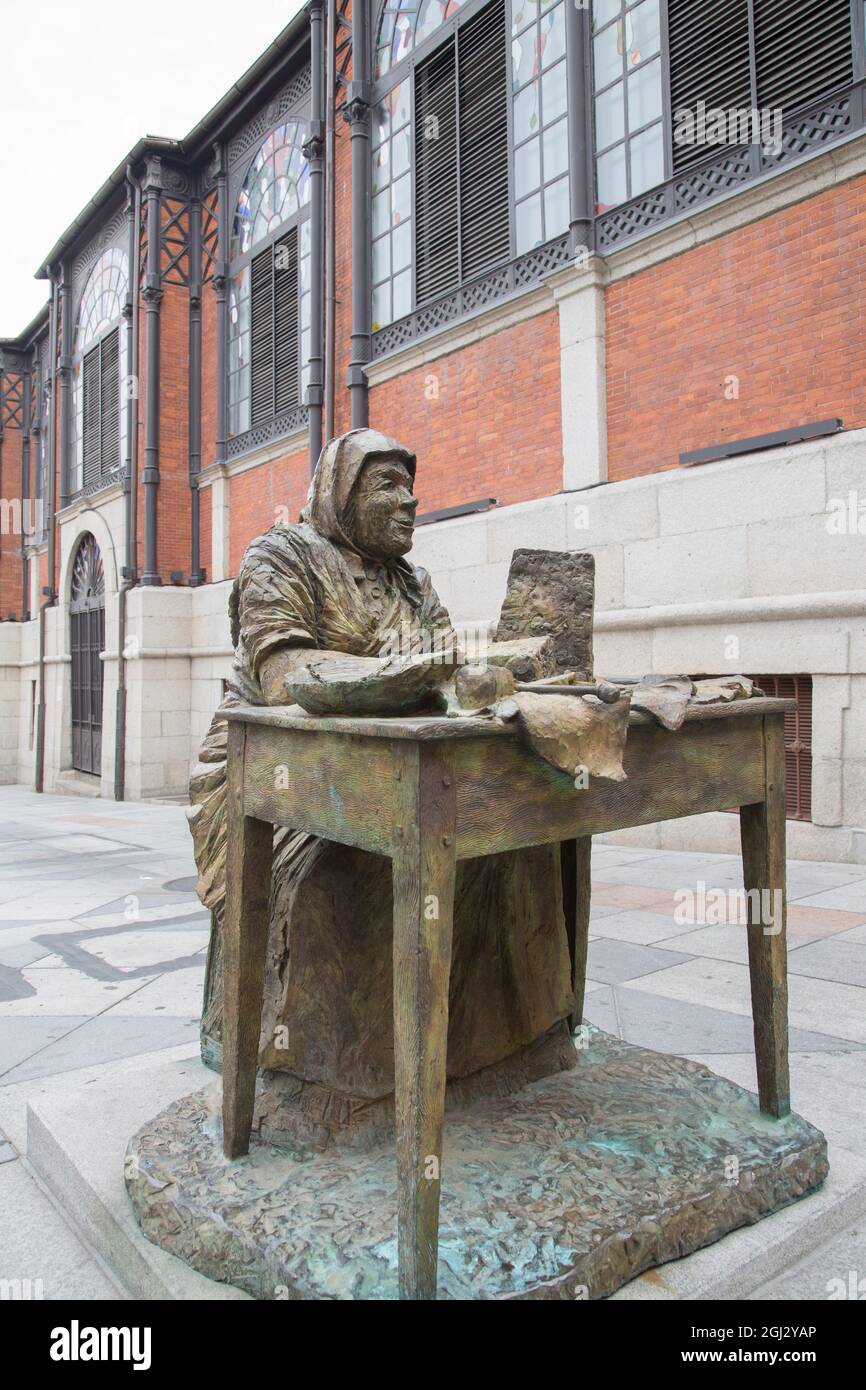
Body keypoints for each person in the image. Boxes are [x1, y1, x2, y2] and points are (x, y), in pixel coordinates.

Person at [188, 428, 574, 1148]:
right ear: (343, 491)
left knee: (511, 833)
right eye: (388, 484)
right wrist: (393, 679)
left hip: (409, 762)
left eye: (410, 483)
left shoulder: (412, 581)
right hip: (284, 767)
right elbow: (281, 676)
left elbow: (448, 673)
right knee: (348, 868)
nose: (411, 499)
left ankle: (499, 1054)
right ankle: (333, 1083)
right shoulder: (282, 555)